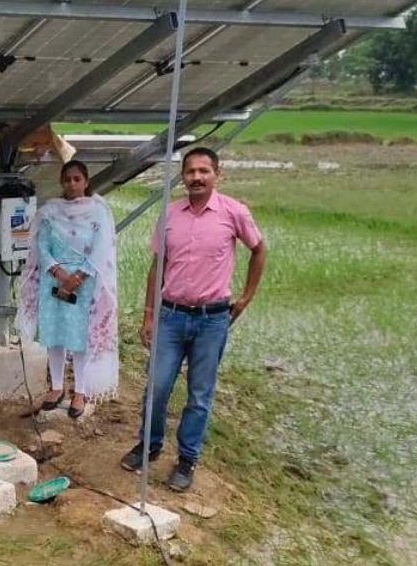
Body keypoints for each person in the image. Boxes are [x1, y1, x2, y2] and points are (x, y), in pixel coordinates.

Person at [120, 147, 266, 492]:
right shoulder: (169, 215)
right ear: (182, 176)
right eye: (190, 172)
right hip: (170, 316)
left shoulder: (233, 212)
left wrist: (245, 298)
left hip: (212, 320)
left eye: (204, 171)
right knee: (156, 386)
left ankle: (187, 459)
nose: (197, 178)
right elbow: (157, 267)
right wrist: (148, 315)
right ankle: (149, 445)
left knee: (199, 394)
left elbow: (258, 250)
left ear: (217, 174)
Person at [16, 160, 119, 418]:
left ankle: (81, 391)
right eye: (67, 179)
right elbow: (42, 245)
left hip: (85, 282)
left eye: (77, 179)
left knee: (80, 337)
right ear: (61, 183)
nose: (72, 184)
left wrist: (78, 276)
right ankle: (57, 387)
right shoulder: (50, 211)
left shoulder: (98, 211)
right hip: (54, 279)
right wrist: (59, 273)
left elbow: (101, 247)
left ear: (86, 182)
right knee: (54, 334)